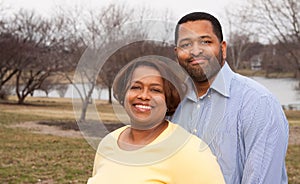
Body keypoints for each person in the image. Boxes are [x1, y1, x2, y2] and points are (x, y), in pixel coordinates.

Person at [171, 12, 289, 183]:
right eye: (186, 44)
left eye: (205, 41)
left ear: (223, 48)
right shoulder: (175, 104)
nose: (195, 51)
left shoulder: (258, 103)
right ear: (177, 53)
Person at [87, 56, 225, 183]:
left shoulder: (191, 151)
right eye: (136, 87)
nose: (144, 96)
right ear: (124, 93)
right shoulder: (108, 144)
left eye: (155, 90)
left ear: (168, 98)